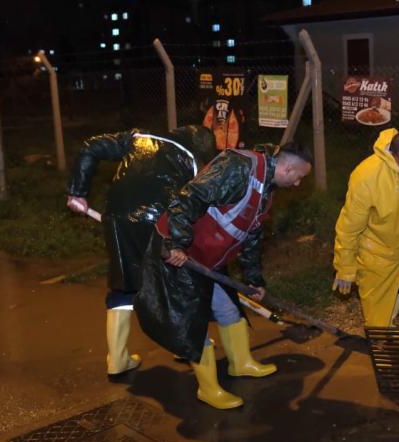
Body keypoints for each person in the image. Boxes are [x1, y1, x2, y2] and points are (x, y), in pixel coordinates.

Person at [134, 142, 313, 409]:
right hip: (181, 255)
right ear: (287, 168)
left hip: (210, 260)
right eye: (299, 177)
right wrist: (176, 243)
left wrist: (253, 279)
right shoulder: (237, 167)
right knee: (193, 322)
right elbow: (189, 198)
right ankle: (208, 390)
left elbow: (250, 236)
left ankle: (240, 363)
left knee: (229, 310)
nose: (298, 184)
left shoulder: (266, 189)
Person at [66, 125, 219, 376]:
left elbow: (89, 147)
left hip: (118, 218)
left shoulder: (137, 138)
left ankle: (117, 359)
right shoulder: (193, 161)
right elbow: (195, 207)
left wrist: (77, 191)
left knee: (124, 281)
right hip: (161, 222)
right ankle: (183, 345)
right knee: (172, 284)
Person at [332, 129, 399, 327]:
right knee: (376, 306)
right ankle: (380, 332)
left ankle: (389, 323)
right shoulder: (366, 176)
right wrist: (345, 267)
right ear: (392, 155)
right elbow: (349, 227)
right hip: (375, 250)